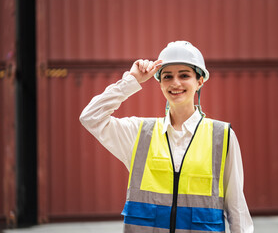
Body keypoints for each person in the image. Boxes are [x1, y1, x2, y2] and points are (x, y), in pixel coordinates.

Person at [79, 41, 254, 233]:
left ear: (200, 81)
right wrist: (131, 80)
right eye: (167, 76)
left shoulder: (222, 136)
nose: (175, 83)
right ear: (160, 83)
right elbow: (90, 117)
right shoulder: (139, 133)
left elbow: (236, 207)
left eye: (184, 75)